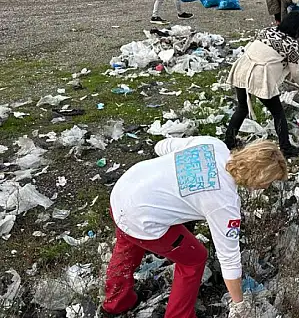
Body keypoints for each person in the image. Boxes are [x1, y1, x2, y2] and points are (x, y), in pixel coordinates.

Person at [101, 136, 288, 318]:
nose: (266, 187)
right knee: (194, 258)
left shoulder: (213, 145)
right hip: (140, 217)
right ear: (258, 177)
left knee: (127, 240)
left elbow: (162, 146)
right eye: (268, 182)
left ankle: (116, 301)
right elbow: (229, 259)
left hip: (123, 191)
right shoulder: (224, 204)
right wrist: (239, 304)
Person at [225, 11, 299, 157]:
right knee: (278, 113)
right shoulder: (291, 45)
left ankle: (228, 142)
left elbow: (261, 51)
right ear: (298, 29)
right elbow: (297, 74)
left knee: (242, 108)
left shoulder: (267, 31)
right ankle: (286, 148)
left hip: (243, 68)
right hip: (260, 77)